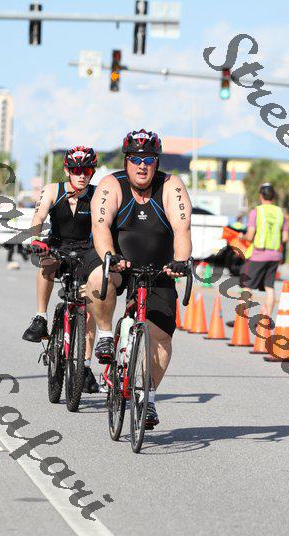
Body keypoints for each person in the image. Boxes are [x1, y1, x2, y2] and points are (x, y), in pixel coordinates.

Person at [91, 129, 192, 428]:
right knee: (97, 278)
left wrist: (180, 261)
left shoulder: (171, 185)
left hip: (160, 269)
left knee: (161, 338)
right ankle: (106, 336)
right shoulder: (112, 185)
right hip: (120, 263)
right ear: (126, 161)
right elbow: (100, 226)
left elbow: (183, 229)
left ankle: (147, 397)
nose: (142, 165)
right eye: (135, 159)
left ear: (157, 162)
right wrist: (110, 256)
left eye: (149, 159)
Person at [22, 146, 104, 393]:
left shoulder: (98, 194)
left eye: (87, 171)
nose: (81, 175)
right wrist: (36, 239)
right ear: (68, 170)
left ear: (92, 172)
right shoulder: (52, 190)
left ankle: (85, 366)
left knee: (89, 307)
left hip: (87, 250)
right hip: (58, 245)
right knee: (46, 262)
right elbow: (38, 218)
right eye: (76, 170)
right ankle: (40, 317)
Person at [240, 182, 288, 316]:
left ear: (261, 196)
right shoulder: (280, 213)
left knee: (247, 286)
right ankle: (266, 318)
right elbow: (285, 238)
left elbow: (250, 236)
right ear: (273, 196)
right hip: (275, 255)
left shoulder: (257, 212)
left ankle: (242, 318)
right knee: (269, 287)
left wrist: (242, 236)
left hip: (258, 254)